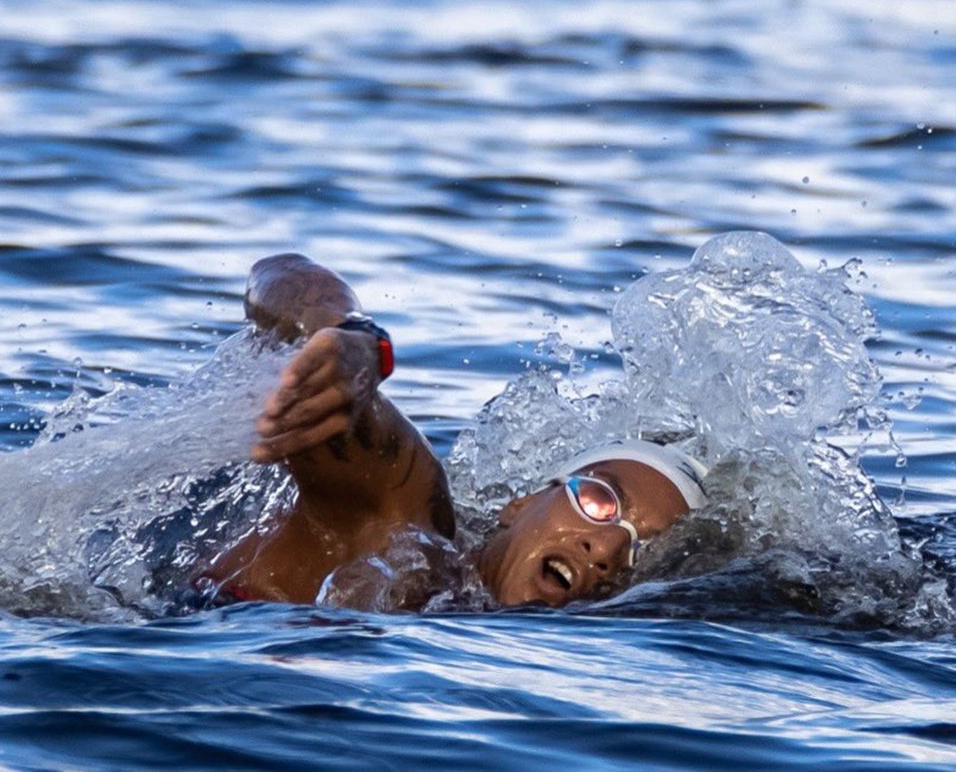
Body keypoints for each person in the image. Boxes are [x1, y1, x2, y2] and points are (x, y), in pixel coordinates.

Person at [198, 253, 709, 608]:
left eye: (643, 551)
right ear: (521, 503)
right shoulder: (405, 525)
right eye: (601, 503)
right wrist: (353, 343)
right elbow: (280, 275)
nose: (607, 552)